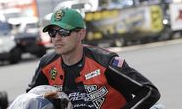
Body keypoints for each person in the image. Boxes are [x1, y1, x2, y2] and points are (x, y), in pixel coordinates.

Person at [26, 8, 160, 109]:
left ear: (81, 33)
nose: (57, 38)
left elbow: (149, 92)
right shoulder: (46, 64)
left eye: (64, 32)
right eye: (52, 33)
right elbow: (31, 99)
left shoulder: (105, 61)